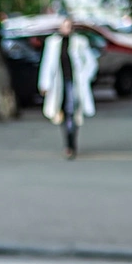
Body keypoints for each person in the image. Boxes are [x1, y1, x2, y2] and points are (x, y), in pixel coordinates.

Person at [38, 17, 98, 159]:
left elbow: (91, 63)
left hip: (74, 83)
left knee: (72, 112)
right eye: (64, 26)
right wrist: (44, 84)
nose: (66, 29)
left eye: (69, 26)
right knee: (62, 112)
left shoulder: (80, 42)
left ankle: (71, 144)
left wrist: (84, 76)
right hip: (59, 84)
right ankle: (68, 143)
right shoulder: (52, 43)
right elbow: (47, 64)